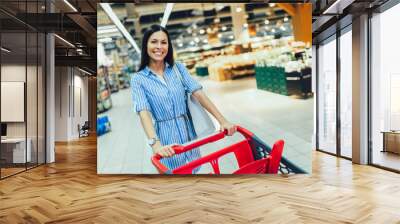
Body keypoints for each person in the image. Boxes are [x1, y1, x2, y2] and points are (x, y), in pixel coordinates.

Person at [131, 25, 236, 173]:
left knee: (194, 171)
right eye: (154, 42)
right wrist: (156, 145)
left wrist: (222, 120)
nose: (159, 47)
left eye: (164, 42)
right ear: (145, 45)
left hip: (189, 137)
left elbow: (198, 93)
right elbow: (143, 112)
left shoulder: (178, 68)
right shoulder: (138, 79)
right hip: (166, 143)